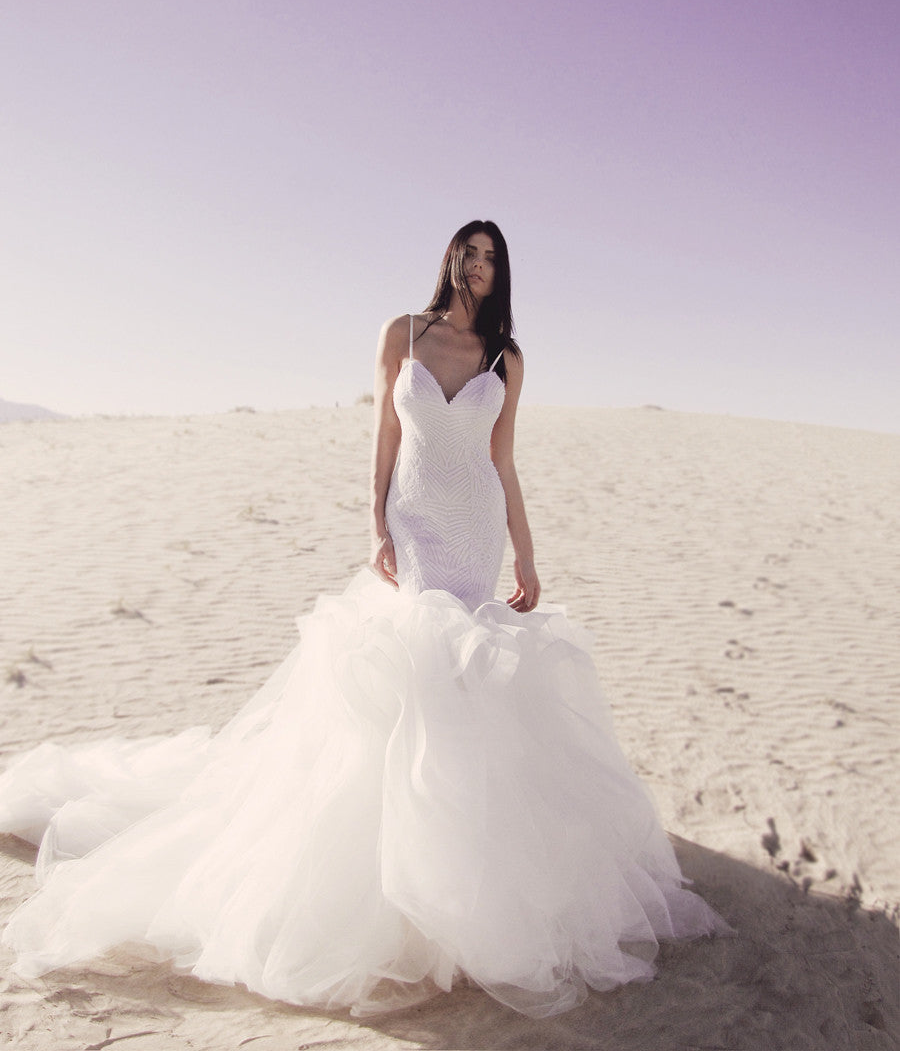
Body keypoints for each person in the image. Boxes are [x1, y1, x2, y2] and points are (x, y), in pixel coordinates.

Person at [0, 220, 727, 1020]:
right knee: (406, 660)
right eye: (470, 255)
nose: (479, 269)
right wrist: (374, 522)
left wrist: (526, 556)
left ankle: (462, 867)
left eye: (492, 261)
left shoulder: (505, 357)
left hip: (475, 527)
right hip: (415, 520)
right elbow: (384, 433)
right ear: (451, 258)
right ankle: (384, 871)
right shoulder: (402, 333)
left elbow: (503, 460)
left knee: (458, 674)